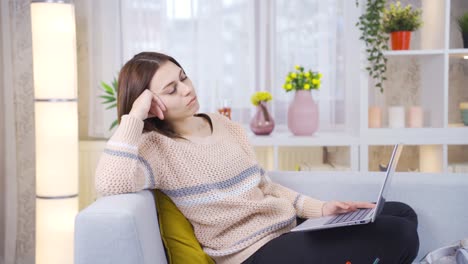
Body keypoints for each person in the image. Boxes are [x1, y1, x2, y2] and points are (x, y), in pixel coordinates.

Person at [95, 51, 419, 264]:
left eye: (183, 77)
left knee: (401, 213)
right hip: (251, 253)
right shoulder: (154, 148)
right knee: (399, 234)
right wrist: (134, 116)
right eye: (170, 89)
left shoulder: (222, 124)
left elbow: (264, 186)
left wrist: (321, 209)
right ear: (152, 103)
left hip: (286, 230)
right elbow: (109, 183)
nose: (186, 89)